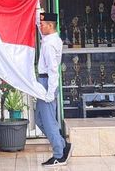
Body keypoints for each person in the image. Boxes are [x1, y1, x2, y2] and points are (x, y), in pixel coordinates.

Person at [36, 12, 71, 167]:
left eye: (43, 24)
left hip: (47, 82)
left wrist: (50, 92)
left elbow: (53, 70)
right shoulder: (49, 38)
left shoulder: (50, 44)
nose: (40, 25)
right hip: (43, 81)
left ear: (50, 25)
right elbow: (39, 25)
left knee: (48, 121)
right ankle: (63, 145)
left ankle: (59, 154)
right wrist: (36, 7)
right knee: (39, 119)